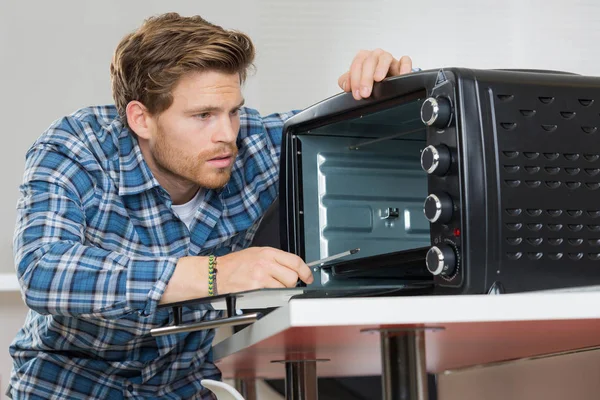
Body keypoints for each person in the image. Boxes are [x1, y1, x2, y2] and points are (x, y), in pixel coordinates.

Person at [7, 12, 415, 400]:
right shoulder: (76, 148)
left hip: (182, 388)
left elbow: (360, 139)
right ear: (141, 119)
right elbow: (44, 270)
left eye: (233, 111)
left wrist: (393, 94)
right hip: (64, 384)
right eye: (202, 115)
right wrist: (216, 273)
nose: (227, 135)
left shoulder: (258, 144)